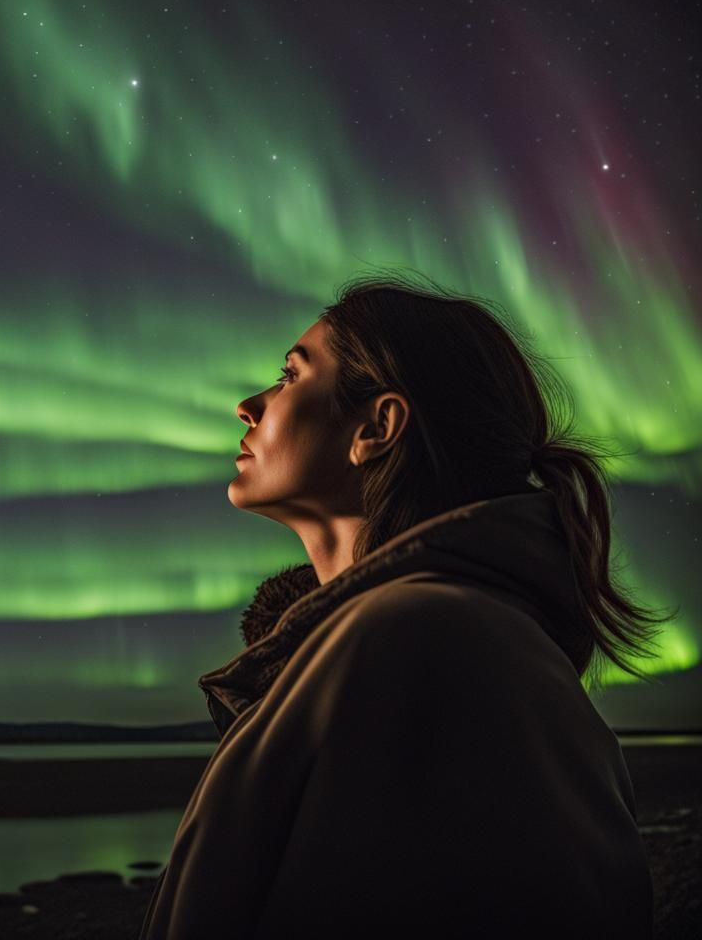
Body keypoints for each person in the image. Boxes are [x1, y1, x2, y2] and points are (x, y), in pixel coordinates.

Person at [138, 270, 674, 940]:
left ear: (377, 426)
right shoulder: (402, 638)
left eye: (290, 375)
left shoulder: (421, 638)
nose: (250, 406)